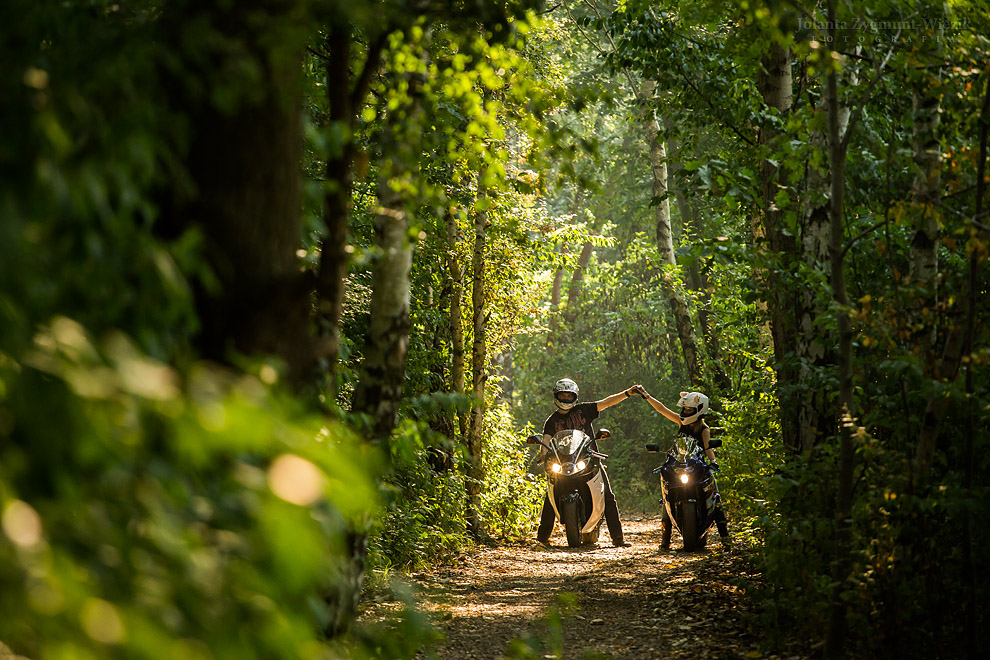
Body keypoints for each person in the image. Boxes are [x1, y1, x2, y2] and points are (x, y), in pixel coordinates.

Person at [536, 377, 641, 548]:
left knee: (607, 495)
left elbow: (606, 402)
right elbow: (546, 440)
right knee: (550, 495)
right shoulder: (552, 421)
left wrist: (627, 393)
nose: (566, 399)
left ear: (575, 396)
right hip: (563, 465)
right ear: (556, 396)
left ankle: (618, 539)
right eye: (563, 395)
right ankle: (542, 539)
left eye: (569, 396)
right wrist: (544, 455)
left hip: (588, 460)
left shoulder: (584, 410)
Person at [636, 387, 730, 548]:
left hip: (697, 466)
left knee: (716, 498)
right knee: (667, 494)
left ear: (699, 410)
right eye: (685, 408)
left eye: (689, 409)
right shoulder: (681, 422)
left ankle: (726, 540)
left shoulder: (703, 428)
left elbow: (708, 448)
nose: (685, 411)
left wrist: (713, 461)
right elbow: (662, 409)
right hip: (679, 465)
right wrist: (647, 396)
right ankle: (665, 541)